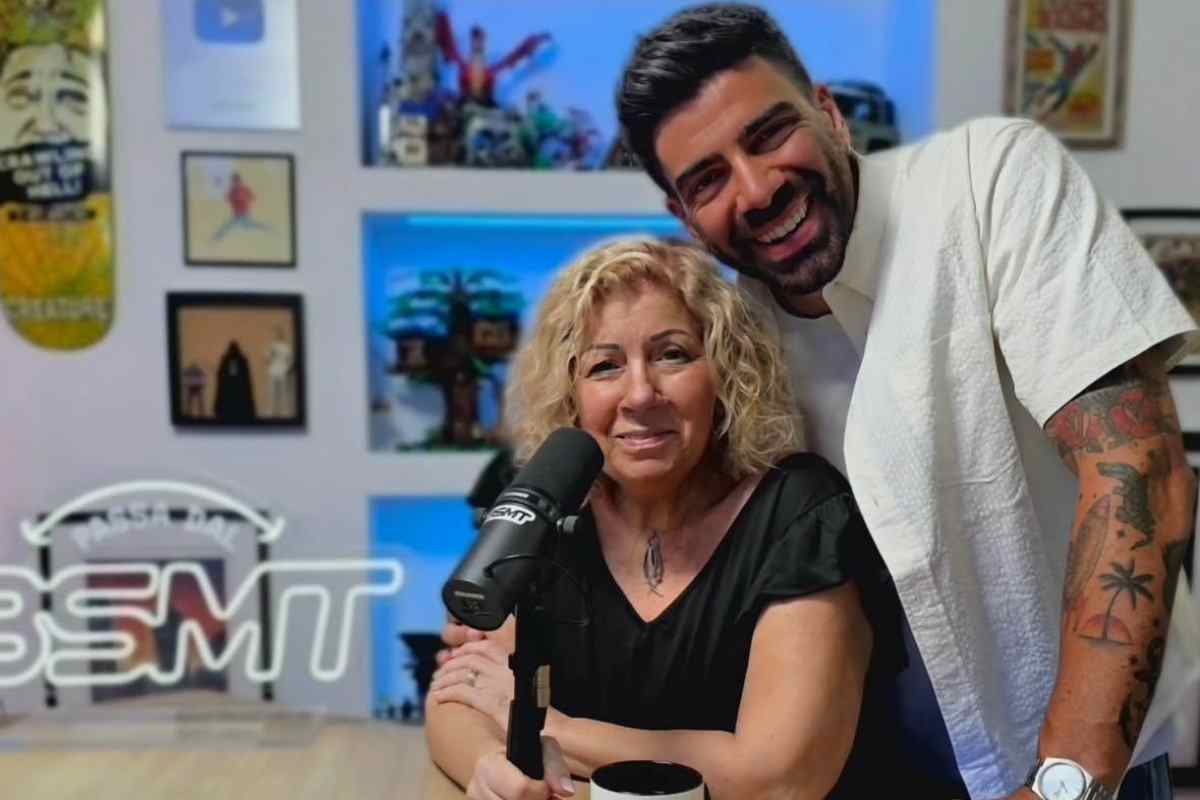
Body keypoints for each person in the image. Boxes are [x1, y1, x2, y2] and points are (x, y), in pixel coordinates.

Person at [609, 5, 1198, 800]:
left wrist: (1068, 781)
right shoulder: (730, 341)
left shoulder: (988, 181)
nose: (756, 189)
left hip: (1083, 770)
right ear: (682, 216)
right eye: (708, 180)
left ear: (828, 113)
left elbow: (1139, 474)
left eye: (769, 135)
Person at [426, 238, 910, 799]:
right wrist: (489, 764)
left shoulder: (801, 513)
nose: (639, 394)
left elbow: (778, 779)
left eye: (672, 355)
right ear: (571, 393)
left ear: (725, 373)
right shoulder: (550, 507)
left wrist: (550, 729)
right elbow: (460, 697)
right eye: (605, 365)